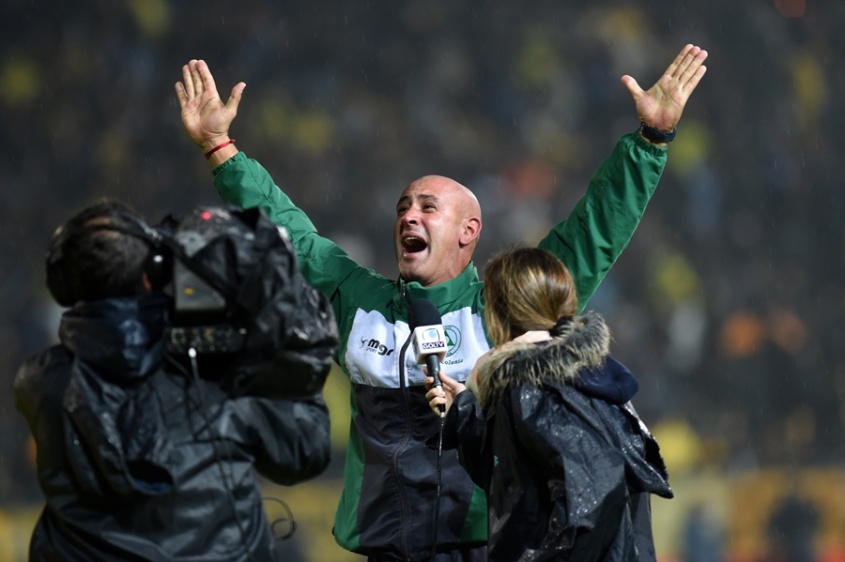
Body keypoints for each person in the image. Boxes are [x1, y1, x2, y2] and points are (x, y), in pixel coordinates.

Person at [174, 43, 707, 561]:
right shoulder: (358, 301)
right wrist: (220, 149)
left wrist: (650, 141)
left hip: (487, 545)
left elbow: (593, 232)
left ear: (468, 231)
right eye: (404, 207)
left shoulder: (507, 306)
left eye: (428, 207)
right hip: (386, 547)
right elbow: (289, 233)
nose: (409, 215)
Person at [13, 199, 338, 562]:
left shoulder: (41, 382)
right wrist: (287, 316)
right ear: (153, 274)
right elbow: (303, 452)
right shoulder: (209, 377)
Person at [425, 246, 673, 561]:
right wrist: (466, 414)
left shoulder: (532, 386)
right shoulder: (587, 376)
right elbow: (517, 485)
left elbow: (600, 488)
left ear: (499, 312)